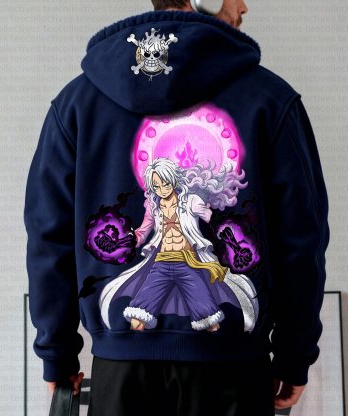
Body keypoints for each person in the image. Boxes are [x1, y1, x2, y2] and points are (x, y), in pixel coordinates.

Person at [23, 0, 330, 414]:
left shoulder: (77, 104)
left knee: (193, 288)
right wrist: (295, 354)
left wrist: (57, 354)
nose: (242, 5)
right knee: (156, 291)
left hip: (122, 372)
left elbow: (49, 237)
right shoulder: (271, 100)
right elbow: (301, 241)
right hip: (234, 372)